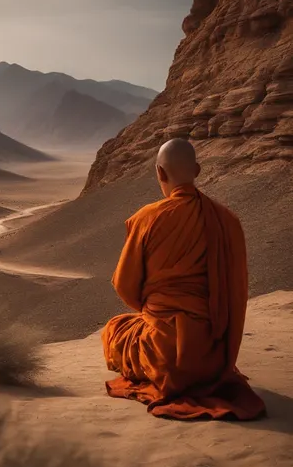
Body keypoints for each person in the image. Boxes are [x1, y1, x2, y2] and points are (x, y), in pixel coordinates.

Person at [102, 138, 266, 419]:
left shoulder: (146, 218)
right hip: (212, 358)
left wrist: (156, 312)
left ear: (160, 173)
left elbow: (125, 287)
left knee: (114, 330)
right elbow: (236, 295)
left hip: (164, 358)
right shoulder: (227, 221)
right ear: (198, 170)